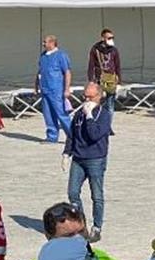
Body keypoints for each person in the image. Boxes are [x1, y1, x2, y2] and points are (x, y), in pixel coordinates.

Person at [65, 82, 113, 243]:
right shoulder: (79, 114)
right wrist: (66, 152)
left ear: (99, 97)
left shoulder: (103, 115)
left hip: (95, 158)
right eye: (85, 96)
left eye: (90, 97)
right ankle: (81, 225)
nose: (86, 100)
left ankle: (97, 227)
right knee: (72, 193)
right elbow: (72, 133)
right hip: (78, 158)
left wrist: (90, 115)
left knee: (96, 195)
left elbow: (94, 135)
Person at [36, 35, 73, 144]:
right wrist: (36, 85)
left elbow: (67, 72)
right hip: (45, 89)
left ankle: (73, 137)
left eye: (45, 42)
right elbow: (40, 72)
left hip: (56, 90)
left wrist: (67, 89)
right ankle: (52, 136)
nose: (43, 44)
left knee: (61, 113)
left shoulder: (61, 55)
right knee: (48, 114)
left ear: (52, 43)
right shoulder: (43, 56)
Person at [87, 28, 121, 122]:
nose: (111, 39)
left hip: (111, 80)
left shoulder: (114, 50)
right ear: (103, 38)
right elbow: (91, 65)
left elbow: (117, 66)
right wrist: (91, 80)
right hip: (99, 80)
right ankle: (97, 123)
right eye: (109, 38)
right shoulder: (95, 49)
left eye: (112, 37)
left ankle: (107, 126)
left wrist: (119, 82)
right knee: (97, 103)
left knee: (110, 104)